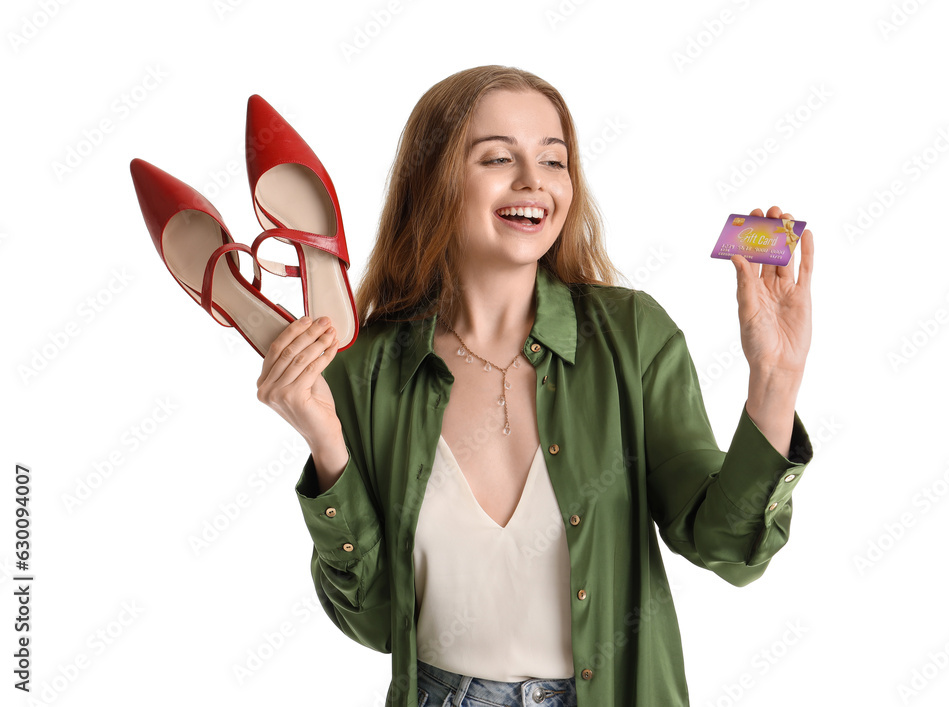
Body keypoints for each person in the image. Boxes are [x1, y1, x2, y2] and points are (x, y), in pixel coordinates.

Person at [255, 65, 815, 707]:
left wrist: (775, 378)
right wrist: (327, 444)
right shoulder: (367, 366)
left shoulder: (631, 337)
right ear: (433, 181)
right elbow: (378, 621)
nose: (534, 183)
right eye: (497, 157)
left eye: (554, 160)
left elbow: (730, 546)